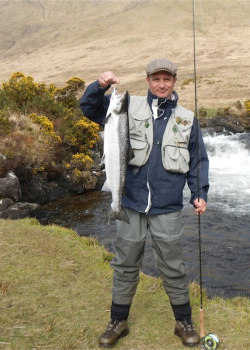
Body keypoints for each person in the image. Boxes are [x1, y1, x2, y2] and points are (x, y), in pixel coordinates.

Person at [79, 57, 210, 348]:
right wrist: (98, 87)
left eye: (167, 79)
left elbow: (198, 160)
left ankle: (183, 322)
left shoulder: (187, 118)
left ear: (175, 82)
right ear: (148, 81)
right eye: (156, 79)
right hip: (131, 202)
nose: (161, 84)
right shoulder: (125, 105)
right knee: (125, 263)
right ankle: (118, 321)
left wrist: (199, 192)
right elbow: (89, 108)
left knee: (173, 266)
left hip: (168, 205)